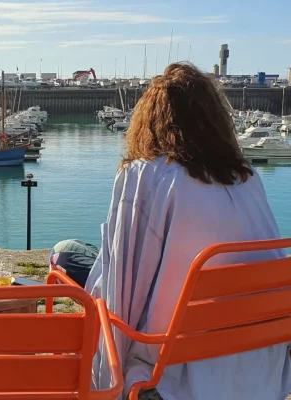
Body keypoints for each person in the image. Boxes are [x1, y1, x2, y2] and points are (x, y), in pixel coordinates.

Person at [85, 63, 291, 400]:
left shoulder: (146, 175)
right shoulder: (248, 178)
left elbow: (119, 289)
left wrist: (109, 376)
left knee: (66, 253)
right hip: (262, 367)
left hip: (176, 370)